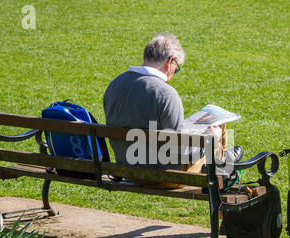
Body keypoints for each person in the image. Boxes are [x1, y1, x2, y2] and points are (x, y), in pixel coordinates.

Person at [103, 33, 243, 187]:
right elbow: (180, 153)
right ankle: (223, 164)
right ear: (170, 62)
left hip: (128, 170)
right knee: (218, 128)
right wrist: (210, 141)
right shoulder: (165, 93)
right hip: (163, 176)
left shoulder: (114, 85)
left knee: (203, 132)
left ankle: (222, 160)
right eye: (176, 69)